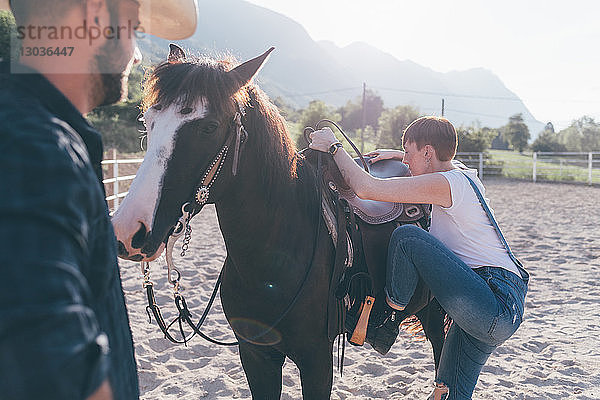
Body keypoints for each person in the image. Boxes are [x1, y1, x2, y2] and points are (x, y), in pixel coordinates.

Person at [0, 0, 197, 399]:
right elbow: (53, 375)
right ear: (93, 15)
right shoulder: (37, 150)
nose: (137, 53)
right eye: (133, 28)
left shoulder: (27, 131)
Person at [309, 116, 529, 400]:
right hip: (495, 309)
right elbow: (438, 159)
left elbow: (367, 188)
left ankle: (387, 319)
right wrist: (397, 153)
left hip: (491, 299)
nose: (406, 163)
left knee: (408, 238)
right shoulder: (463, 175)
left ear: (427, 152)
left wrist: (334, 147)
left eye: (410, 154)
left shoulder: (447, 184)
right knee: (447, 393)